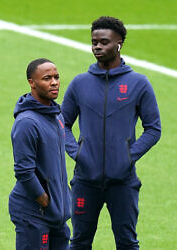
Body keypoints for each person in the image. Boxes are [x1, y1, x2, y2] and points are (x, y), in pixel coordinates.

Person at [61, 16, 161, 249]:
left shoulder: (139, 83)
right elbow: (62, 123)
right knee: (79, 241)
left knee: (127, 242)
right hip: (85, 180)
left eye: (104, 42)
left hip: (123, 182)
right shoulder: (79, 83)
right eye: (94, 41)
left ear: (119, 44)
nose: (97, 46)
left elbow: (153, 129)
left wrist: (128, 155)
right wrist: (77, 152)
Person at [8, 58, 71, 250]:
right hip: (34, 213)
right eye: (46, 78)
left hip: (57, 214)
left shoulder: (56, 115)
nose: (54, 82)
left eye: (56, 77)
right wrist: (45, 200)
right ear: (31, 82)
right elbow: (24, 171)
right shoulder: (27, 122)